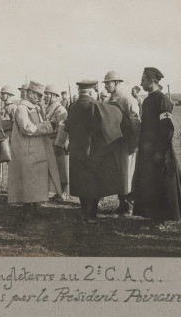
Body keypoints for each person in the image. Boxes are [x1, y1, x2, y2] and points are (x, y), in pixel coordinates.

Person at [132, 67, 181, 225]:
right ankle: (154, 216)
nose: (140, 83)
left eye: (143, 80)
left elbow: (167, 128)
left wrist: (160, 151)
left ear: (152, 81)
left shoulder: (162, 100)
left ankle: (163, 219)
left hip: (160, 150)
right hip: (148, 150)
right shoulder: (147, 100)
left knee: (162, 184)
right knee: (150, 183)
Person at [64, 80, 128, 224]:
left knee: (81, 183)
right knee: (93, 183)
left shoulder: (72, 106)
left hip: (76, 152)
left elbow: (67, 128)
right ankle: (91, 216)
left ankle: (84, 212)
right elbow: (111, 117)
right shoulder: (94, 106)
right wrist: (116, 105)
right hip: (91, 152)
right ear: (92, 92)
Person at [8, 81, 61, 219]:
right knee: (28, 180)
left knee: (37, 179)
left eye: (41, 95)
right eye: (38, 95)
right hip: (27, 151)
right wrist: (49, 125)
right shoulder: (22, 108)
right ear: (30, 93)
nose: (40, 98)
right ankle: (27, 211)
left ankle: (35, 208)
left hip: (36, 150)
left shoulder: (35, 108)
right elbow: (27, 128)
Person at [103, 71, 141, 216]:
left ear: (117, 83)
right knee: (119, 174)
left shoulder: (127, 99)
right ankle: (122, 203)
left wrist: (134, 143)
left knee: (128, 173)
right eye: (106, 83)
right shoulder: (110, 99)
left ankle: (130, 205)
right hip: (114, 143)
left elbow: (136, 122)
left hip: (126, 142)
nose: (106, 86)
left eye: (108, 83)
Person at [44, 84, 70, 201]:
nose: (45, 97)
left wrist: (59, 144)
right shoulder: (48, 108)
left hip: (58, 143)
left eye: (47, 94)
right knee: (53, 168)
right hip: (50, 141)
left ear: (54, 96)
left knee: (62, 168)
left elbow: (63, 128)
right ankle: (56, 191)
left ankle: (64, 192)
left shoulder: (60, 109)